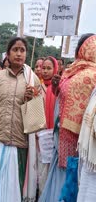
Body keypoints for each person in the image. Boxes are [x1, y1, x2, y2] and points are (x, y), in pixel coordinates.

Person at [0, 37, 40, 202]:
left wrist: (32, 98)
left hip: (19, 140)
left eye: (22, 50)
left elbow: (36, 114)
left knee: (14, 185)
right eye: (15, 50)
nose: (19, 53)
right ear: (8, 53)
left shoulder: (32, 79)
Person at [40, 33, 96, 201]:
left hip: (78, 140)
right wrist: (57, 86)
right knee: (70, 179)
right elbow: (61, 96)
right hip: (68, 137)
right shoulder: (74, 71)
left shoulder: (82, 73)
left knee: (73, 178)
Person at [37, 56, 58, 196]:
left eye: (49, 68)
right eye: (43, 68)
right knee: (41, 164)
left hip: (54, 134)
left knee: (52, 164)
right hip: (41, 132)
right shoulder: (38, 87)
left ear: (55, 69)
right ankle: (42, 192)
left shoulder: (58, 88)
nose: (45, 71)